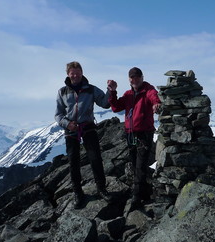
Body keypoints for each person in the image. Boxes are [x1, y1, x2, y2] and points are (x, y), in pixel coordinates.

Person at [55, 61, 116, 209]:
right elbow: (58, 115)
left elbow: (105, 103)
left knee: (95, 159)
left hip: (88, 128)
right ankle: (78, 193)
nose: (75, 75)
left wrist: (111, 90)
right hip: (71, 130)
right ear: (68, 74)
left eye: (77, 73)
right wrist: (67, 124)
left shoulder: (90, 89)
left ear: (82, 73)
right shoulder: (62, 92)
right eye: (72, 73)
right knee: (73, 162)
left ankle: (101, 189)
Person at [107, 67, 161, 211]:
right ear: (129, 79)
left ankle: (136, 198)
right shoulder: (128, 94)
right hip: (130, 133)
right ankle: (143, 193)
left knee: (140, 164)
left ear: (142, 77)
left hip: (144, 134)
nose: (134, 80)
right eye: (132, 77)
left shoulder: (148, 90)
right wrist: (112, 91)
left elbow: (153, 96)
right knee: (134, 162)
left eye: (137, 77)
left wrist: (156, 103)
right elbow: (116, 107)